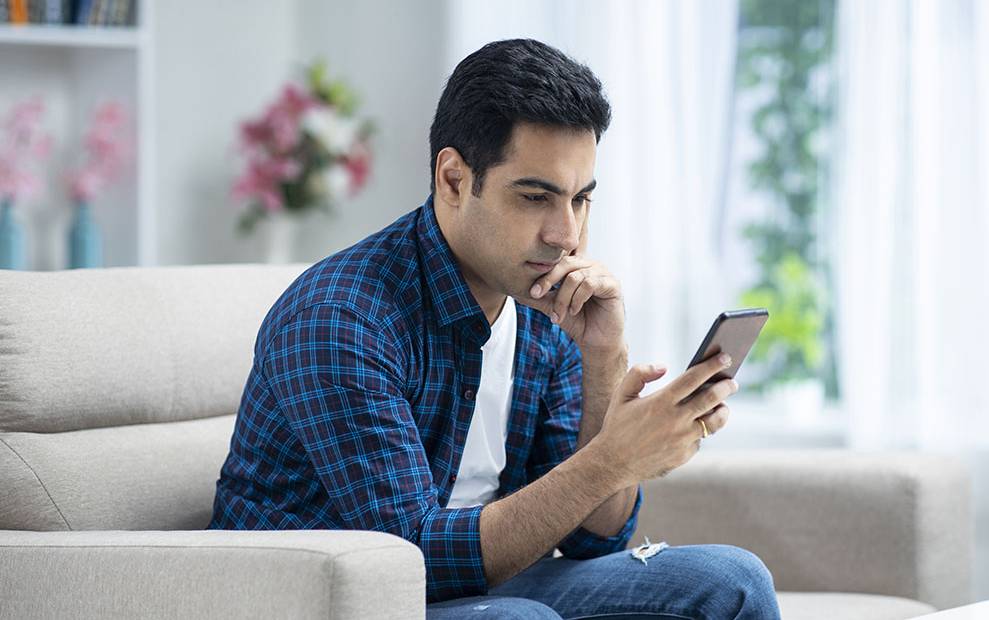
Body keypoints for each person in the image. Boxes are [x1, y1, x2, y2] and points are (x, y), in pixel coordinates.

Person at [209, 38, 781, 619]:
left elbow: (594, 537)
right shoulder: (340, 317)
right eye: (536, 197)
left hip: (479, 591)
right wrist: (613, 459)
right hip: (328, 600)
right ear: (454, 179)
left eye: (581, 199)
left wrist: (605, 358)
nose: (567, 233)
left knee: (733, 580)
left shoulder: (545, 302)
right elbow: (413, 562)